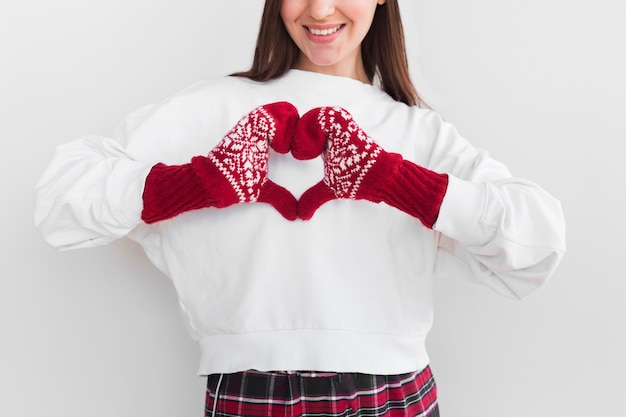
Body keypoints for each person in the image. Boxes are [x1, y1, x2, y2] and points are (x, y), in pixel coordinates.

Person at [34, 0, 566, 416]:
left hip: (394, 395)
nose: (319, 12)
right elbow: (61, 204)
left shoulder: (417, 132)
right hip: (249, 391)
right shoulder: (205, 109)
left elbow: (537, 245)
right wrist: (198, 181)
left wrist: (398, 181)